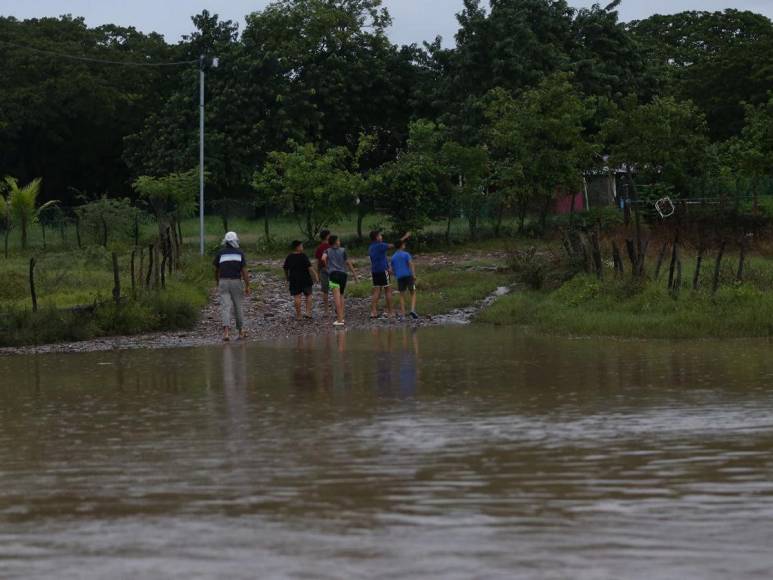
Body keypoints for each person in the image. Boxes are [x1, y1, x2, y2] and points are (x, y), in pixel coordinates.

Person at [213, 231, 250, 341]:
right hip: (236, 282)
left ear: (226, 241)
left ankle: (226, 333)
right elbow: (244, 271)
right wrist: (247, 285)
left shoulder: (220, 253)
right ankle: (240, 332)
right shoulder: (240, 253)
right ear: (235, 240)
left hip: (223, 282)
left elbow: (216, 270)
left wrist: (217, 281)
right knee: (238, 306)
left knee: (225, 306)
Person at [368, 230, 410, 319]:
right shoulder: (381, 245)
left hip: (375, 271)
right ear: (376, 237)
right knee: (388, 290)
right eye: (380, 235)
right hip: (383, 271)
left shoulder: (371, 247)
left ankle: (373, 312)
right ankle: (391, 312)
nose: (381, 237)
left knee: (376, 291)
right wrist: (405, 237)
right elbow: (395, 245)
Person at [321, 235, 358, 327]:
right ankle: (342, 316)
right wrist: (355, 275)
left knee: (336, 297)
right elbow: (348, 262)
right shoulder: (343, 250)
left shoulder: (327, 251)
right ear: (336, 242)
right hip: (343, 275)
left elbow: (323, 258)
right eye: (338, 240)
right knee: (341, 295)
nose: (339, 241)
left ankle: (339, 319)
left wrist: (327, 267)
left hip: (333, 275)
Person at [283, 240, 319, 320]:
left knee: (297, 296)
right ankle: (308, 312)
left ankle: (299, 315)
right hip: (305, 278)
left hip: (294, 279)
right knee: (308, 295)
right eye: (301, 246)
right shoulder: (303, 256)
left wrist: (287, 277)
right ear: (298, 247)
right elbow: (309, 267)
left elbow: (285, 268)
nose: (302, 247)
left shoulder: (289, 256)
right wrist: (316, 275)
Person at [391, 238, 418, 319]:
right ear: (402, 246)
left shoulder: (393, 257)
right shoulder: (406, 254)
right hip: (408, 276)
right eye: (404, 244)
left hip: (400, 278)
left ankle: (403, 315)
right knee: (413, 292)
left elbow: (392, 269)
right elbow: (411, 264)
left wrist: (396, 274)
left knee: (401, 295)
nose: (404, 245)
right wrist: (414, 275)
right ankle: (412, 310)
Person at [314, 229, 332, 314]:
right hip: (332, 269)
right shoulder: (331, 246)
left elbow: (318, 261)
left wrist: (317, 273)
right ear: (327, 236)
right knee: (336, 288)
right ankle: (338, 307)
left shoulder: (319, 247)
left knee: (325, 290)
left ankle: (326, 310)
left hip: (323, 270)